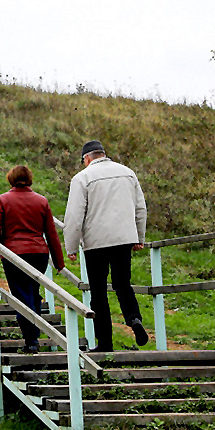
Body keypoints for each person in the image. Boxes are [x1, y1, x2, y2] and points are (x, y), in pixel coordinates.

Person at [64, 140, 148, 352]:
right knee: (123, 284)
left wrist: (71, 246)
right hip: (123, 239)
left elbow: (74, 215)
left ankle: (105, 344)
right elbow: (140, 207)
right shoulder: (128, 173)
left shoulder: (82, 178)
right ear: (103, 153)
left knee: (98, 293)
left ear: (86, 158)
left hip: (96, 243)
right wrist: (139, 237)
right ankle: (134, 319)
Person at [0, 165, 65, 353]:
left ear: (11, 179)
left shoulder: (3, 200)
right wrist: (59, 262)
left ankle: (31, 341)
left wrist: (1, 244)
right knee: (33, 292)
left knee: (22, 296)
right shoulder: (42, 201)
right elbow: (51, 234)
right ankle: (34, 336)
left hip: (14, 253)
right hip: (39, 253)